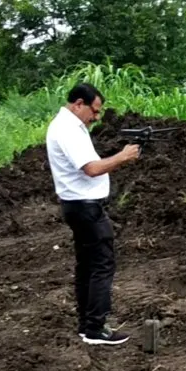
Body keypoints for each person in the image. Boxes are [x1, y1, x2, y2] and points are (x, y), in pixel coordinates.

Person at [45, 83, 141, 345]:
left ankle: (87, 325)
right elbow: (91, 168)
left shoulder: (68, 127)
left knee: (87, 265)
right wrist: (122, 157)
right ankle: (96, 328)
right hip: (85, 208)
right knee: (101, 264)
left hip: (78, 206)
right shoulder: (67, 130)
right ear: (78, 104)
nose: (96, 117)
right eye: (94, 111)